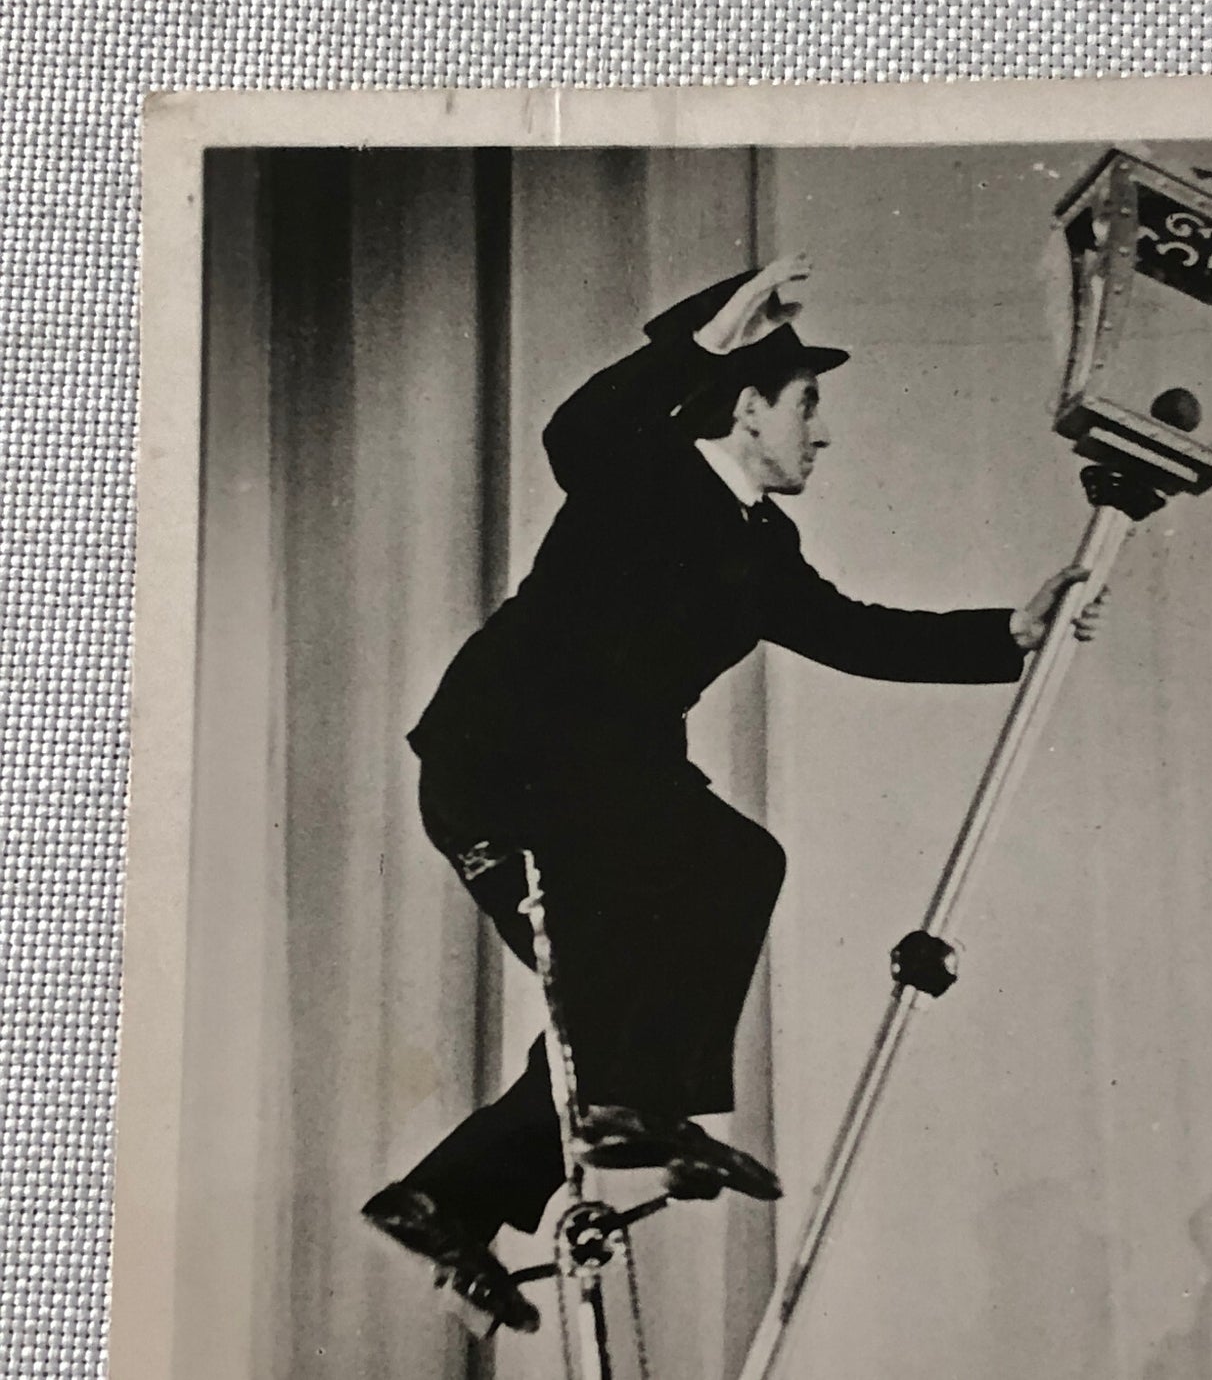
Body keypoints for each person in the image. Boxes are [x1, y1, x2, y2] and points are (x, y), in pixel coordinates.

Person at [362, 255, 1107, 1331]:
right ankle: (633, 1108)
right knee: (716, 871)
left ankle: (445, 1197)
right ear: (746, 408)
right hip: (510, 765)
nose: (823, 430)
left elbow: (854, 632)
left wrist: (1009, 633)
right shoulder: (644, 469)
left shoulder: (761, 544)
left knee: (608, 993)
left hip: (601, 779)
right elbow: (574, 430)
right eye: (806, 402)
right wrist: (696, 343)